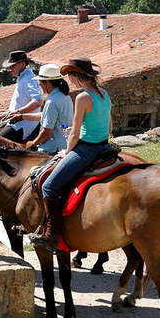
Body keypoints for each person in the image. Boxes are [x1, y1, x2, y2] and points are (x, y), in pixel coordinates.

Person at [30, 57, 112, 251]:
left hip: (86, 149)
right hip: (104, 146)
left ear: (77, 76)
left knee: (49, 187)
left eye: (70, 76)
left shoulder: (83, 97)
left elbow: (74, 133)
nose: (70, 80)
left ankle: (51, 235)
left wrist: (66, 152)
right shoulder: (104, 94)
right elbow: (109, 126)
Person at [9, 63, 72, 154]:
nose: (39, 84)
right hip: (63, 144)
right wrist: (22, 117)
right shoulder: (65, 97)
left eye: (41, 82)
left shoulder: (52, 101)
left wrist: (33, 144)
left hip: (51, 149)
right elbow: (47, 116)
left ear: (47, 82)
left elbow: (47, 132)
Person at [0, 51, 44, 142]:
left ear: (22, 64)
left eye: (13, 65)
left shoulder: (29, 78)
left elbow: (38, 101)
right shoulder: (22, 77)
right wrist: (9, 112)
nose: (10, 68)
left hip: (24, 124)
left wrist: (16, 112)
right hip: (17, 121)